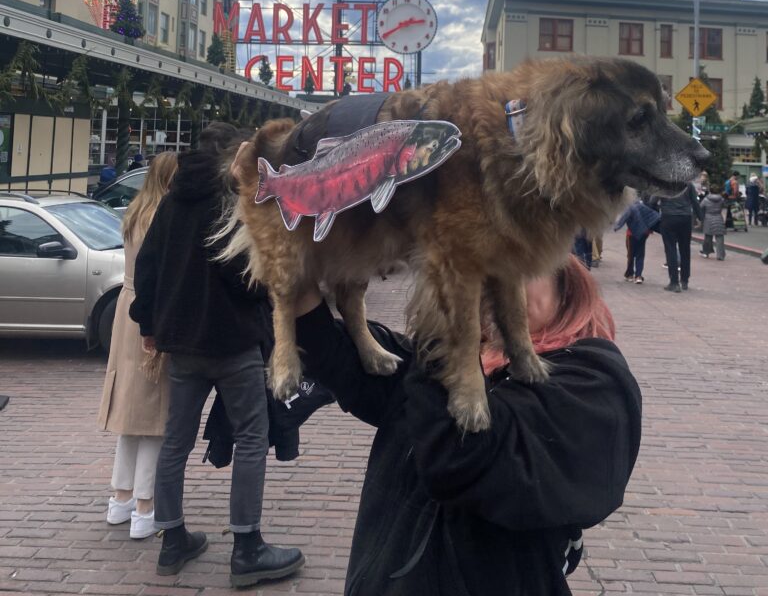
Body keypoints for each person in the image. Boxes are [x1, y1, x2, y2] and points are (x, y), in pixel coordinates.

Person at [291, 255, 641, 596]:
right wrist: (295, 281)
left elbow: (463, 457)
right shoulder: (463, 365)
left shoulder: (594, 382)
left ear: (567, 296)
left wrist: (446, 316)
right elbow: (339, 355)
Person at [129, 122, 304, 587]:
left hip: (181, 343)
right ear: (233, 153)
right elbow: (243, 273)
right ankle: (247, 547)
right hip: (233, 341)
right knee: (251, 436)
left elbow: (147, 267)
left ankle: (172, 540)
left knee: (175, 441)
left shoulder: (170, 201)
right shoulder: (232, 200)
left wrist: (148, 325)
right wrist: (267, 298)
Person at [98, 152, 178, 538]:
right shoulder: (162, 217)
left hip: (126, 311)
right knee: (154, 417)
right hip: (152, 313)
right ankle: (145, 506)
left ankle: (120, 498)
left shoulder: (133, 212)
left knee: (130, 412)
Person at [655, 183, 701, 293]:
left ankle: (674, 282)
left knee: (670, 249)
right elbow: (695, 201)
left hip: (668, 217)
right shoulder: (688, 184)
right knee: (685, 249)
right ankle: (684, 280)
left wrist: (658, 210)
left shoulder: (663, 183)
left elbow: (652, 201)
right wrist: (700, 217)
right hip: (685, 217)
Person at [613, 198, 660, 284]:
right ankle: (638, 276)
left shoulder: (630, 207)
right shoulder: (644, 206)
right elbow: (653, 215)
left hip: (632, 234)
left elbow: (624, 217)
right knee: (640, 254)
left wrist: (617, 226)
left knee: (631, 254)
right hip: (644, 233)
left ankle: (630, 274)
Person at [699, 183, 726, 261]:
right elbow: (723, 206)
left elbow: (701, 206)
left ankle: (706, 252)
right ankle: (720, 255)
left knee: (708, 236)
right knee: (720, 237)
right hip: (718, 217)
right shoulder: (721, 199)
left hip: (708, 218)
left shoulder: (706, 199)